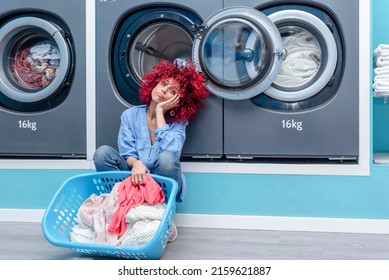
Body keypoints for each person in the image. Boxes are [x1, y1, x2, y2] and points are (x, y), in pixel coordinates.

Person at [93, 60, 209, 242]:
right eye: (163, 84)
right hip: (132, 178)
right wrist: (136, 164)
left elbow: (172, 153)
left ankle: (158, 213)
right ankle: (120, 205)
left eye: (173, 91)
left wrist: (160, 112)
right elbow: (126, 152)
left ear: (179, 101)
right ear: (154, 82)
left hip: (159, 183)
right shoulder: (130, 115)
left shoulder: (178, 123)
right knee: (102, 153)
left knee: (166, 158)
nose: (164, 91)